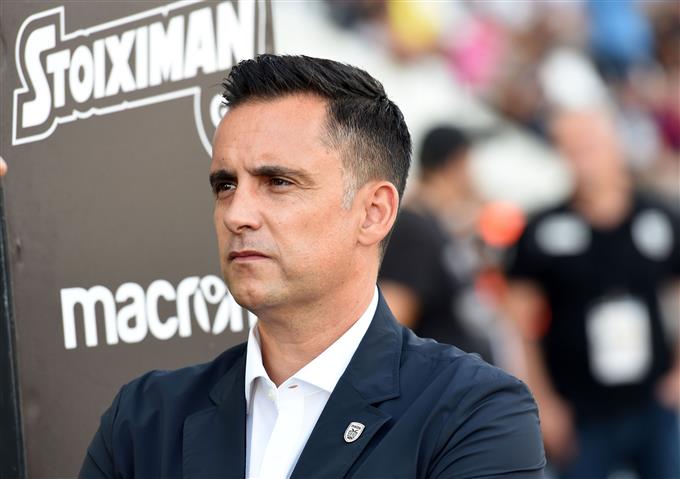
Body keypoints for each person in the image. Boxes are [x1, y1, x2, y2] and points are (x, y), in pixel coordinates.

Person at [80, 54, 545, 478]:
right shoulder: (145, 417)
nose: (237, 214)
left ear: (374, 212)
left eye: (278, 182)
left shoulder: (474, 412)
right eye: (225, 185)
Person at [504, 108, 680, 479]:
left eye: (591, 146)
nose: (583, 160)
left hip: (652, 400)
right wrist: (541, 400)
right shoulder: (543, 230)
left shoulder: (659, 217)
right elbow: (518, 323)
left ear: (616, 145)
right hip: (580, 410)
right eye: (572, 149)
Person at [379, 126, 495, 361]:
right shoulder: (413, 228)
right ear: (455, 163)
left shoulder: (434, 224)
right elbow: (390, 320)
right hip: (436, 375)